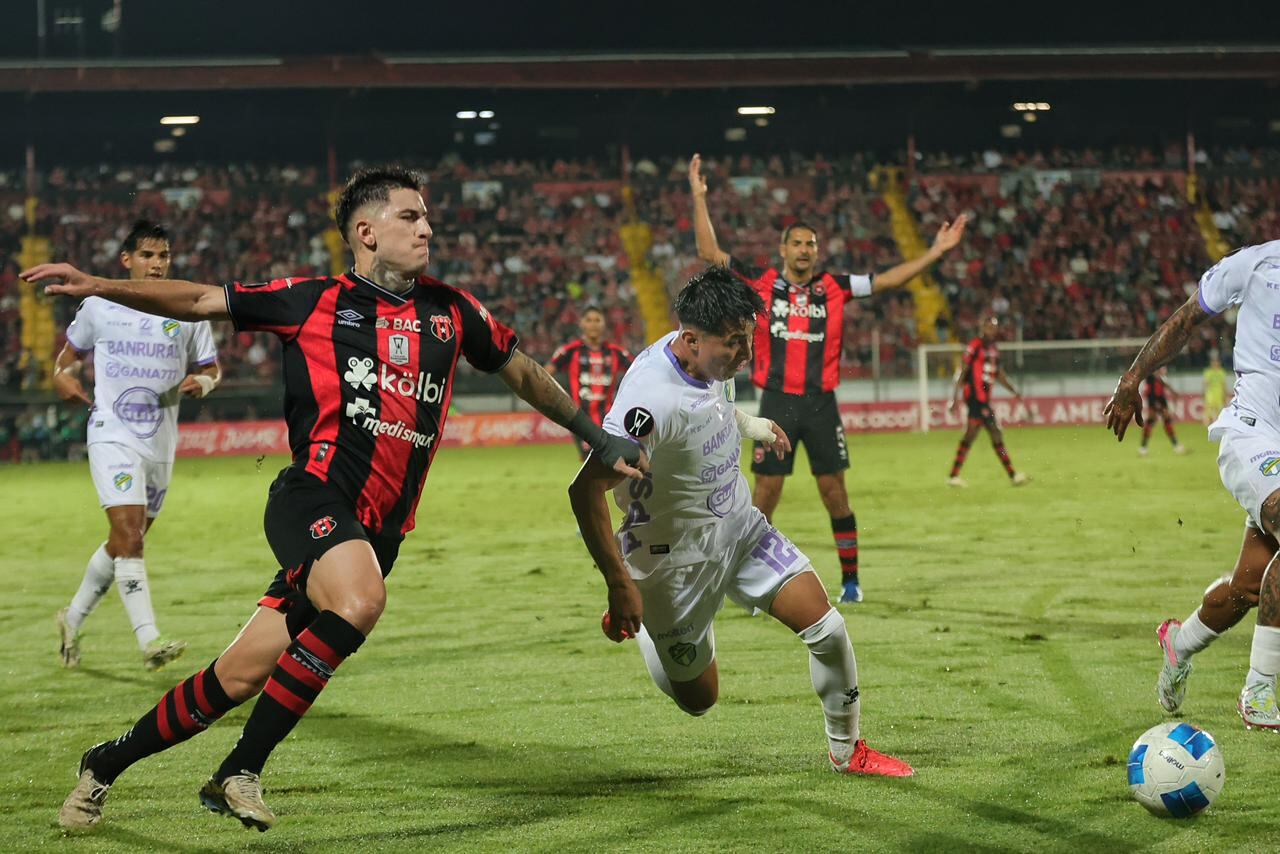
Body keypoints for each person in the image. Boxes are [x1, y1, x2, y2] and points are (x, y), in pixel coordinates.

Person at [24, 166, 646, 832]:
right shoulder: (311, 300)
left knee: (235, 677)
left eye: (427, 216)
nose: (427, 228)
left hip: (378, 535)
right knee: (361, 601)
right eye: (411, 217)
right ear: (366, 231)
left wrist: (594, 436)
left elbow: (522, 370)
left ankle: (103, 764)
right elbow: (203, 301)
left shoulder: (451, 311)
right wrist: (101, 288)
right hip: (309, 497)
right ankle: (240, 769)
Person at [568, 266, 913, 777]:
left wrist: (752, 425)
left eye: (747, 339)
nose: (745, 355)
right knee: (699, 700)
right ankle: (641, 620)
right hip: (670, 561)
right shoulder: (649, 402)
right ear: (690, 339)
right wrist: (621, 584)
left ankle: (847, 752)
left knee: (827, 626)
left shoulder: (705, 357)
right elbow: (584, 489)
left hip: (740, 527)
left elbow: (715, 406)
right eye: (733, 343)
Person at [689, 153, 967, 605]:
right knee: (765, 494)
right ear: (783, 250)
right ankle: (748, 583)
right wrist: (699, 197)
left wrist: (935, 252)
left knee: (834, 492)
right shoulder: (761, 282)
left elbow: (888, 280)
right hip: (777, 401)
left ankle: (852, 581)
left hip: (821, 404)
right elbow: (708, 253)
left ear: (817, 251)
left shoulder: (834, 286)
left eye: (811, 244)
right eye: (797, 243)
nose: (804, 249)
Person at [1105, 240, 1280, 731]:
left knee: (1250, 586)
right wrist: (1132, 377)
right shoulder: (1257, 262)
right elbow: (1186, 319)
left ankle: (1178, 643)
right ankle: (1260, 690)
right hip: (1252, 434)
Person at [52, 219, 220, 671]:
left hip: (161, 443)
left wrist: (202, 382)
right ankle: (150, 640)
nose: (157, 263)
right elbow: (65, 361)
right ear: (126, 260)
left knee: (124, 542)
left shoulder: (186, 307)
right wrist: (62, 379)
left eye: (163, 255)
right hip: (112, 432)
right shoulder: (99, 305)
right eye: (147, 255)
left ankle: (72, 618)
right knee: (130, 537)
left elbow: (212, 368)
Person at [944, 316, 1029, 487]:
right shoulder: (974, 346)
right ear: (982, 327)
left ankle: (954, 476)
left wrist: (1014, 391)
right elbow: (963, 371)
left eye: (994, 327)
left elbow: (999, 374)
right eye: (989, 326)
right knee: (994, 433)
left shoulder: (994, 349)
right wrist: (954, 398)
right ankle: (1013, 475)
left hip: (984, 400)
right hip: (975, 398)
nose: (992, 329)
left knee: (972, 435)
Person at [546, 304, 633, 459]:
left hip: (608, 419)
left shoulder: (616, 352)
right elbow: (545, 375)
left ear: (604, 324)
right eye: (589, 320)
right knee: (592, 462)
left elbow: (637, 372)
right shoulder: (571, 350)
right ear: (581, 323)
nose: (593, 324)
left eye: (597, 320)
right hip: (581, 419)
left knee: (609, 462)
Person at [1138, 368, 1187, 456]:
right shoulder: (1150, 374)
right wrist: (1173, 392)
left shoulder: (1158, 372)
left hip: (1161, 399)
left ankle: (1175, 446)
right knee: (1151, 421)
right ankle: (1143, 448)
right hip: (1154, 399)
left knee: (1165, 421)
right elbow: (1158, 383)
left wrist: (1173, 392)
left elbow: (1163, 381)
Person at [1202, 349, 1231, 426]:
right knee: (1209, 409)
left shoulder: (1222, 372)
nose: (1215, 364)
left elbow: (1223, 384)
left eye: (1217, 362)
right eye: (1214, 362)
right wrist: (1204, 392)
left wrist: (1225, 394)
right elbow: (1206, 383)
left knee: (1219, 409)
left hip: (1219, 392)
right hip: (1210, 393)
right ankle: (1207, 424)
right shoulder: (1208, 372)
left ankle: (1217, 424)